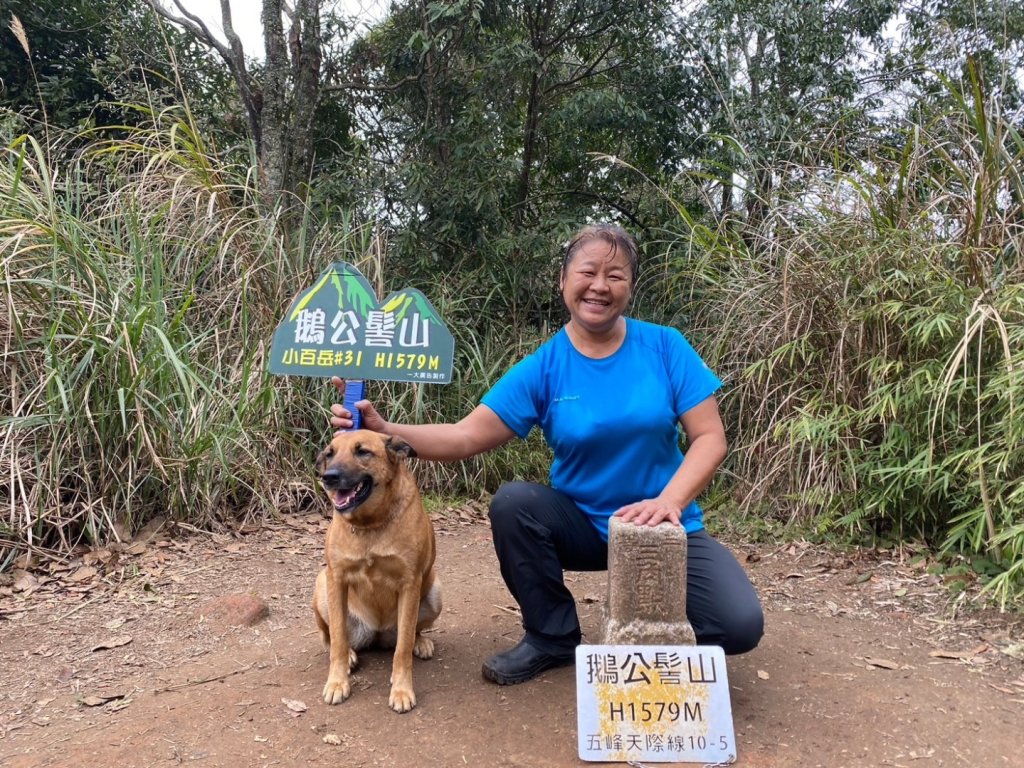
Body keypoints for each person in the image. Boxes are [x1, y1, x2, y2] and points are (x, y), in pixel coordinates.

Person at [329, 223, 763, 686]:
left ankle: (648, 643)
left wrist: (669, 501)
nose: (600, 286)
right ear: (563, 280)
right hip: (580, 524)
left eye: (615, 276)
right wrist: (383, 428)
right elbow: (464, 437)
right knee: (515, 504)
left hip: (665, 525)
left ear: (630, 288)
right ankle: (552, 637)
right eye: (588, 272)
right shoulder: (545, 366)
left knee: (737, 626)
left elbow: (710, 437)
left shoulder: (665, 346)